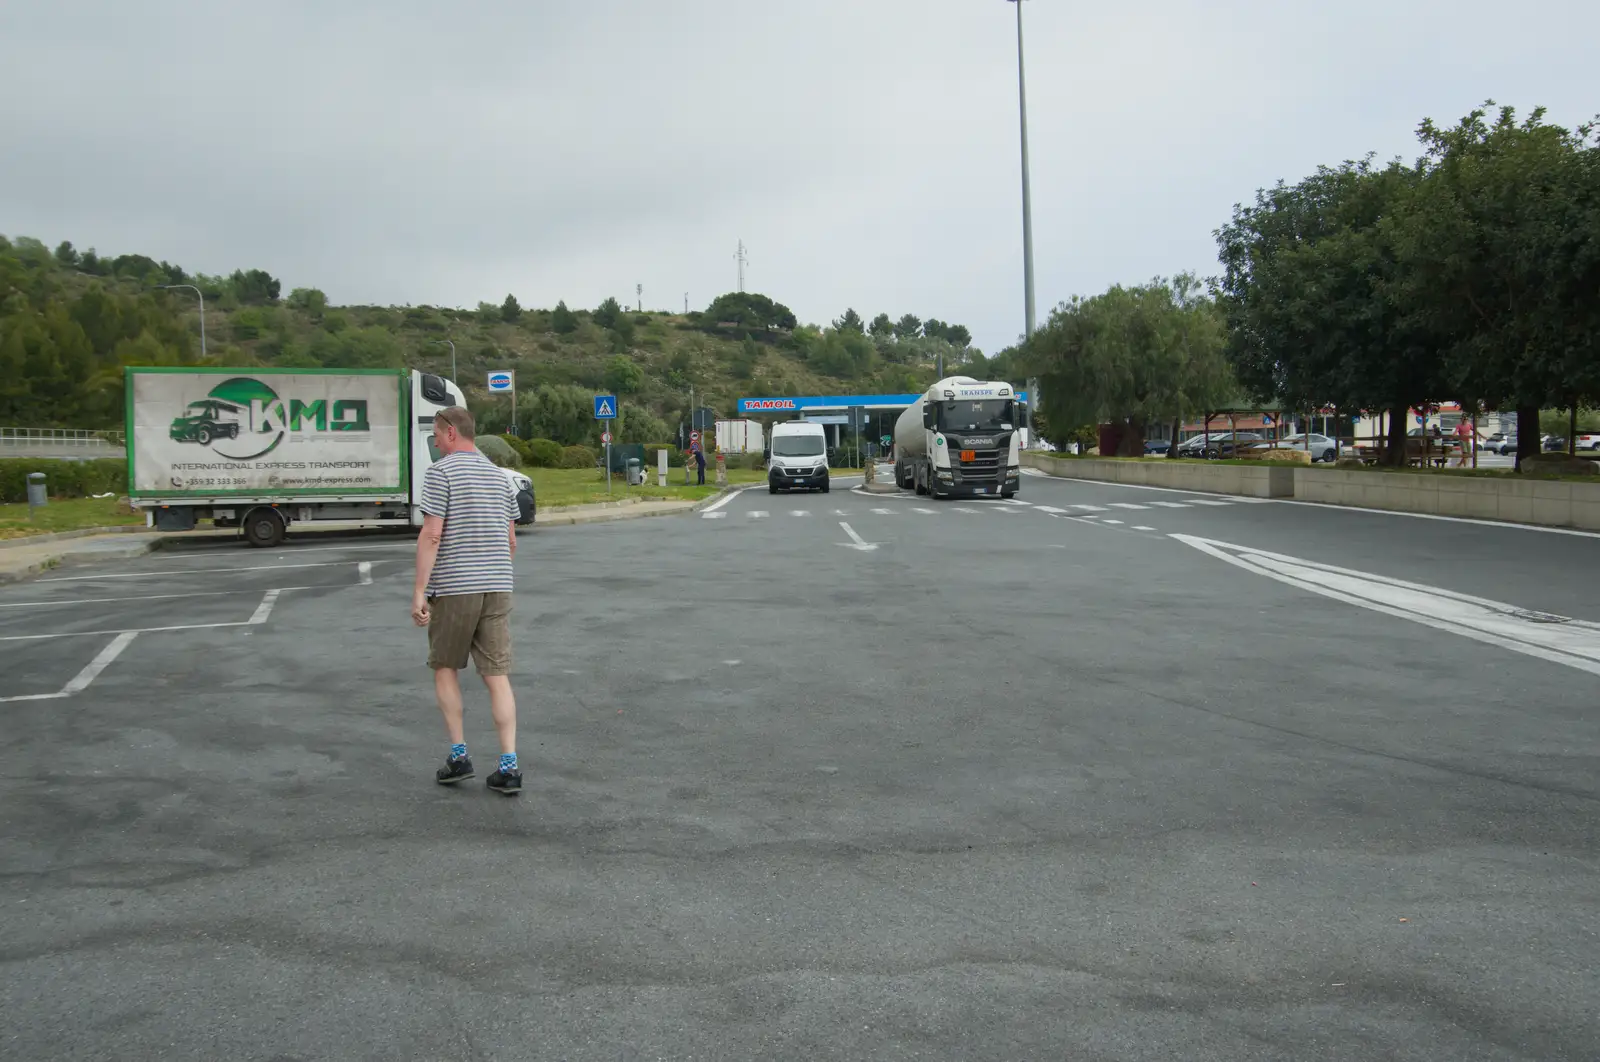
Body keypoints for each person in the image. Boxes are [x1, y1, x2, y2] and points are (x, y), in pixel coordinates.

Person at [412, 406, 523, 796]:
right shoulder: (499, 477)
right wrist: (492, 570)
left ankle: (459, 756)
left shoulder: (440, 474)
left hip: (456, 587)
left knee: (445, 667)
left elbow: (431, 535)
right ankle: (509, 765)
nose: (437, 443)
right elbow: (510, 540)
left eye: (438, 436)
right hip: (497, 586)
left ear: (452, 433)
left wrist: (419, 591)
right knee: (497, 676)